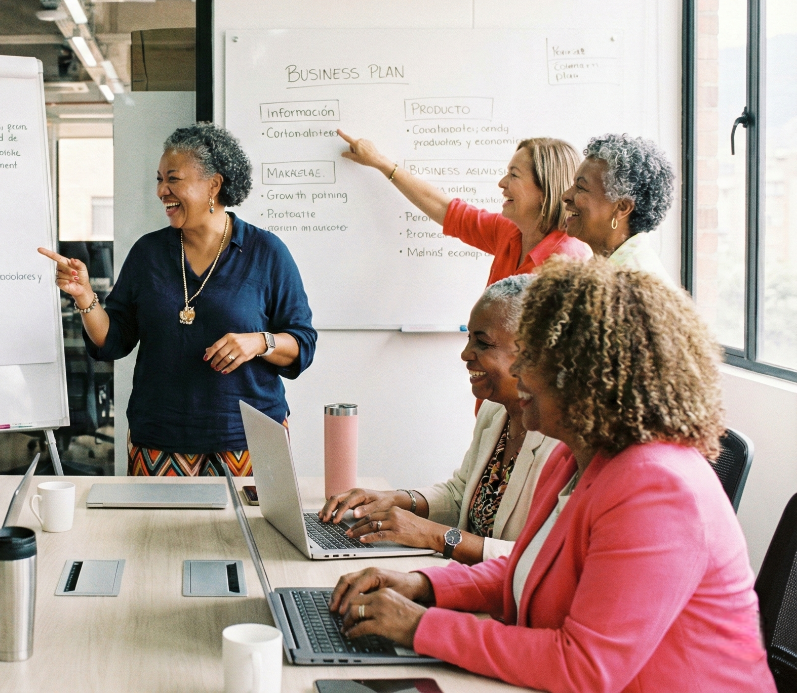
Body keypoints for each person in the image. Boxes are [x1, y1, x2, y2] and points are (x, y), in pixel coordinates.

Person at [327, 258, 773, 693]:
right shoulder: (575, 458)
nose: (518, 369)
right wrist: (422, 585)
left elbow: (584, 669)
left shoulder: (658, 488)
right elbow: (524, 570)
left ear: (587, 375)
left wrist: (421, 626)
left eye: (534, 355)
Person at [39, 124, 316, 476]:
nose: (161, 191)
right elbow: (112, 340)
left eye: (173, 179)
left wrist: (260, 342)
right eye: (158, 180)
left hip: (247, 439)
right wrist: (85, 296)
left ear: (213, 185)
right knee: (154, 533)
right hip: (159, 437)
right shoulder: (148, 253)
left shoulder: (266, 252)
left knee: (247, 533)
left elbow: (303, 343)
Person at [319, 275, 556, 563]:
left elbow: (540, 559)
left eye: (482, 343)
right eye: (468, 338)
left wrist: (436, 536)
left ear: (531, 352)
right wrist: (397, 499)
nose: (465, 354)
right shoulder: (495, 412)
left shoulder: (561, 442)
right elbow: (460, 495)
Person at [338, 132, 590, 284]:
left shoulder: (567, 260)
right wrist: (381, 163)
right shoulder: (509, 232)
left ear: (544, 188)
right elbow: (445, 209)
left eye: (514, 175)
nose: (502, 184)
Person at [562, 133, 676, 284]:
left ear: (622, 208)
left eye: (581, 187)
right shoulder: (608, 267)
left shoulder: (630, 285)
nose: (566, 195)